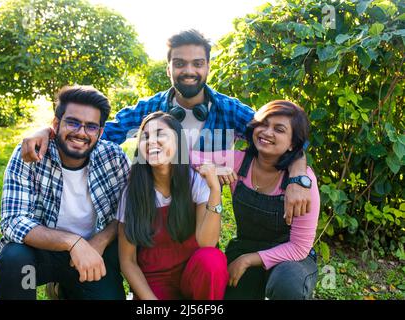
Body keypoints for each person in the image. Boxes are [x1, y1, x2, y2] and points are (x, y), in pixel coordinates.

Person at [19, 29, 311, 224]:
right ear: (168, 67)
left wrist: (298, 177)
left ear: (208, 67)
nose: (189, 71)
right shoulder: (149, 107)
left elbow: (281, 138)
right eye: (180, 63)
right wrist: (48, 130)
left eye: (198, 63)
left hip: (201, 208)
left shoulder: (230, 110)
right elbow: (96, 131)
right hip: (152, 206)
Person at [0, 85, 130, 300]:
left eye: (91, 127)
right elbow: (12, 221)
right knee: (14, 260)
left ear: (100, 132)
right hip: (39, 257)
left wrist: (99, 242)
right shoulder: (30, 154)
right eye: (73, 122)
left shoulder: (113, 157)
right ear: (56, 124)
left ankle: (67, 288)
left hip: (89, 258)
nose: (81, 133)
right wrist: (73, 242)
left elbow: (127, 212)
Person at [192, 100, 319, 299]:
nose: (267, 132)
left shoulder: (302, 183)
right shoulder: (237, 161)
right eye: (263, 124)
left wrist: (248, 260)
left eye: (279, 129)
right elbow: (189, 156)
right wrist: (211, 168)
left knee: (288, 285)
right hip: (245, 246)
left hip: (291, 258)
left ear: (292, 143)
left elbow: (299, 247)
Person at [117, 111, 229, 300]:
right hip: (155, 282)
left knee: (212, 260)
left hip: (192, 274)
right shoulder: (132, 192)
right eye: (145, 137)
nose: (151, 141)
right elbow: (128, 261)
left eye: (160, 134)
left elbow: (207, 243)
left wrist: (215, 191)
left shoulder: (195, 181)